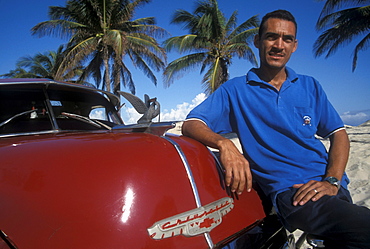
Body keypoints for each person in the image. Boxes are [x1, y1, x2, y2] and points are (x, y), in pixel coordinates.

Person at [182, 9, 370, 248]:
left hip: (333, 185)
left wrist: (332, 180)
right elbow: (192, 123)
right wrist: (225, 144)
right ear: (257, 41)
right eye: (272, 37)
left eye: (287, 39)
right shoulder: (236, 90)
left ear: (294, 46)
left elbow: (338, 134)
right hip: (293, 193)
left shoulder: (310, 85)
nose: (279, 45)